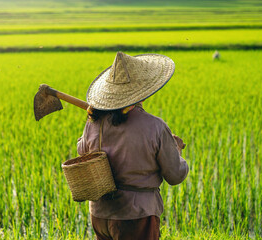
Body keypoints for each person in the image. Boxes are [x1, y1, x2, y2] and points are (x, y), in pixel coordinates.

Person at [77, 52, 189, 240]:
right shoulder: (154, 126)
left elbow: (82, 150)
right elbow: (176, 175)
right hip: (136, 216)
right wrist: (176, 149)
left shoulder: (94, 122)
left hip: (100, 214)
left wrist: (96, 123)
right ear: (143, 91)